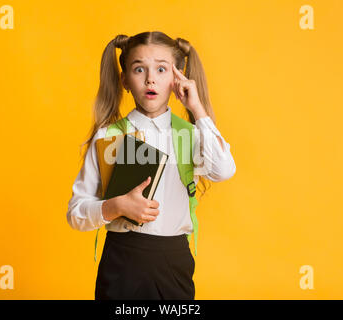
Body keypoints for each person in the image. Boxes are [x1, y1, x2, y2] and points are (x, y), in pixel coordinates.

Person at [66, 31, 236, 300]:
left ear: (177, 77)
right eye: (138, 69)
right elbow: (76, 214)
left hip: (173, 262)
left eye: (161, 69)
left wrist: (198, 109)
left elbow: (223, 170)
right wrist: (115, 207)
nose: (150, 78)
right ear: (124, 80)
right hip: (122, 260)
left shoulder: (191, 135)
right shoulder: (108, 137)